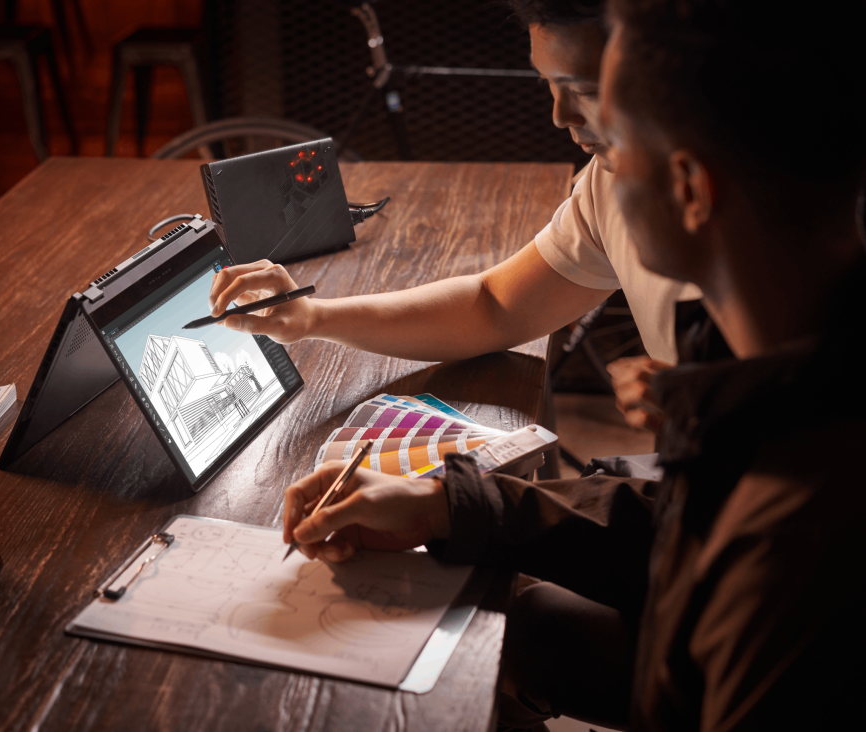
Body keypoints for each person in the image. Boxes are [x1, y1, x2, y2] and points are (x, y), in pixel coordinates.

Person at [281, 0, 866, 729]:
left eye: (613, 127)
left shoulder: (794, 543)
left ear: (690, 188)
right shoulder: (765, 382)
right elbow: (681, 530)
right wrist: (458, 505)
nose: (582, 144)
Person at [207, 0, 701, 436]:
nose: (560, 115)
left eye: (583, 88)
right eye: (549, 84)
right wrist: (313, 317)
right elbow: (494, 306)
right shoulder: (609, 183)